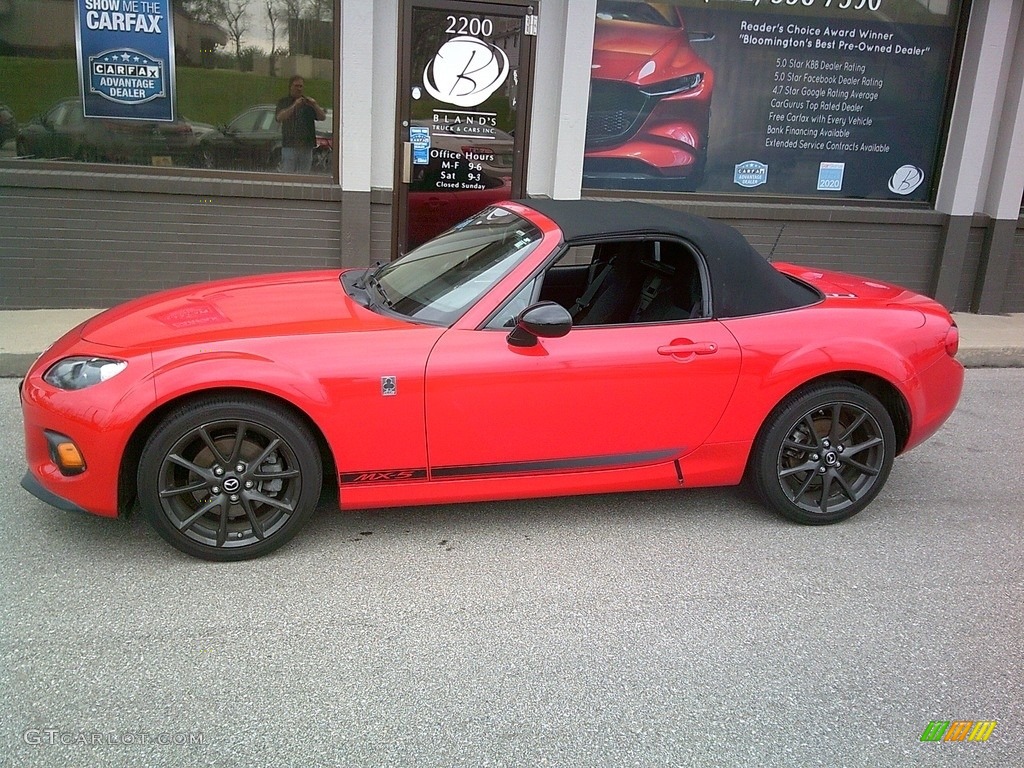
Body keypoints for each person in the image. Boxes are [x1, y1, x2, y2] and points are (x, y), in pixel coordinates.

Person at [275, 75, 326, 173]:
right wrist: (294, 106)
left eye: (301, 86)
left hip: (306, 147)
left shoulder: (308, 103)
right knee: (288, 175)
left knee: (304, 176)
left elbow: (322, 117)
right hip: (290, 146)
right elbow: (279, 117)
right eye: (296, 86)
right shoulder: (284, 102)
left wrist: (315, 105)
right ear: (290, 87)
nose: (299, 89)